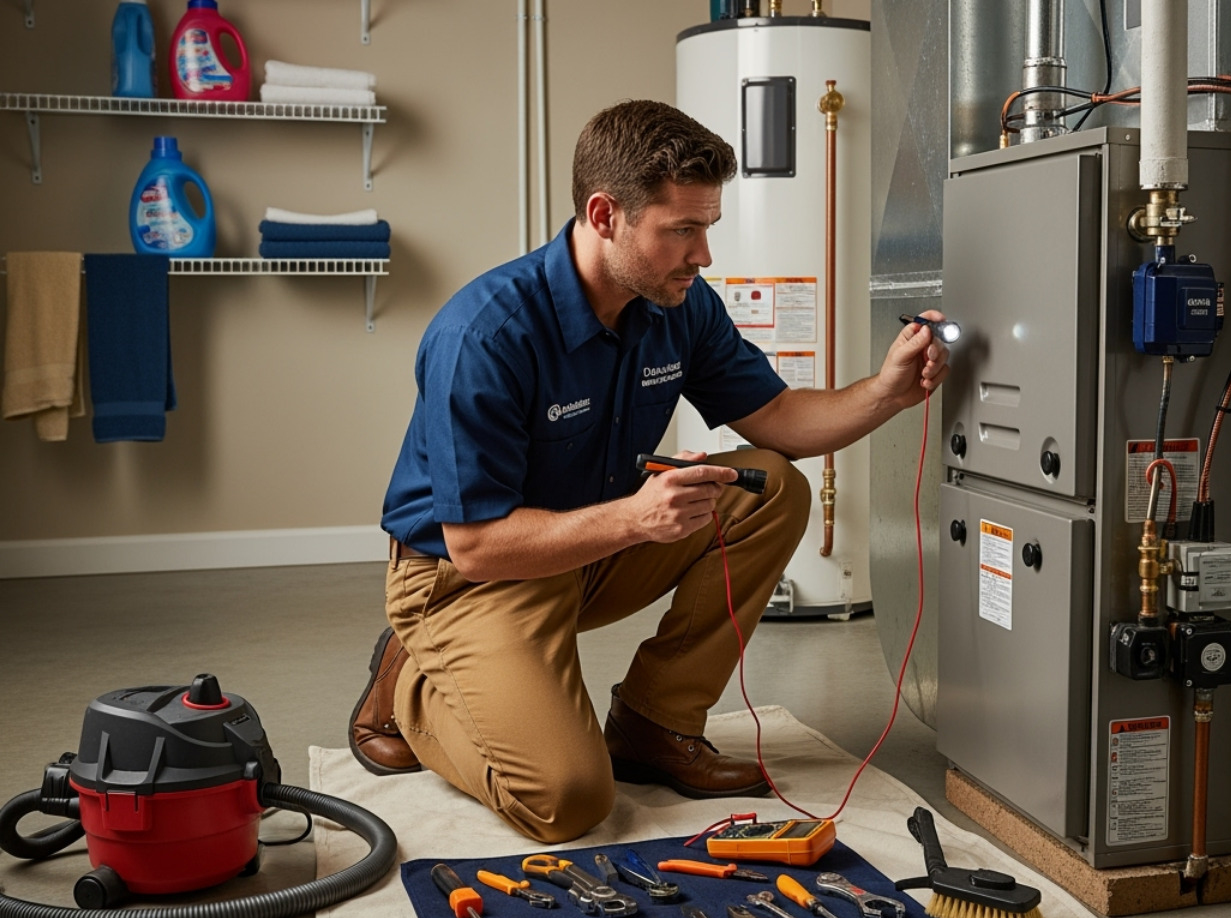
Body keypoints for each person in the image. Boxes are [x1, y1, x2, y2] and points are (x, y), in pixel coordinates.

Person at [351, 99, 949, 843]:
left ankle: (654, 726)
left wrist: (887, 393)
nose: (703, 255)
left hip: (589, 550)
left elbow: (784, 425)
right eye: (683, 230)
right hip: (467, 578)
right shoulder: (487, 334)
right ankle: (409, 680)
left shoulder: (679, 307)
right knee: (565, 801)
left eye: (708, 228)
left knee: (770, 486)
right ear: (605, 215)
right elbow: (476, 546)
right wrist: (637, 518)